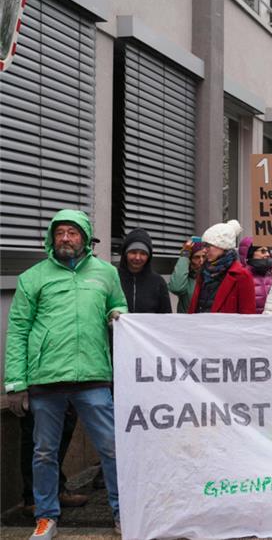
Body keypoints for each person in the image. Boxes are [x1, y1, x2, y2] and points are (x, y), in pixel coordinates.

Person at [4, 210, 128, 539]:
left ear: (85, 238)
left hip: (94, 377)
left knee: (112, 448)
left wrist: (118, 313)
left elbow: (119, 305)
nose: (66, 238)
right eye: (60, 233)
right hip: (45, 380)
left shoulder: (105, 273)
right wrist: (15, 383)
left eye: (73, 232)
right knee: (44, 451)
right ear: (51, 238)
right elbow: (17, 330)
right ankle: (46, 517)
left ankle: (123, 513)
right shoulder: (33, 277)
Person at [189, 219, 256, 314]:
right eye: (204, 246)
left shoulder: (242, 276)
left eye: (208, 246)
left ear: (222, 246)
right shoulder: (204, 272)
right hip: (200, 327)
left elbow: (247, 315)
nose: (204, 250)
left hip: (225, 328)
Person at [117, 227, 171, 313]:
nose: (138, 257)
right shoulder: (113, 278)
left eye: (143, 253)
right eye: (133, 252)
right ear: (125, 253)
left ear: (149, 256)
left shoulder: (158, 282)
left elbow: (166, 316)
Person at [169, 239, 206, 313]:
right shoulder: (186, 278)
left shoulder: (211, 276)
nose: (201, 261)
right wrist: (185, 254)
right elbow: (176, 288)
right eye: (196, 257)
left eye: (204, 257)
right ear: (189, 259)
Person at [238, 237, 272, 314]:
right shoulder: (241, 276)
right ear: (250, 253)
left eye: (268, 251)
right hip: (250, 322)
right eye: (263, 251)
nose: (267, 254)